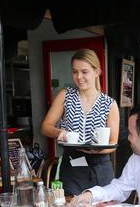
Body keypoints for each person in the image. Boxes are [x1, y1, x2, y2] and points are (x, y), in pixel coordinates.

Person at [41, 48, 119, 195]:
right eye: (75, 71)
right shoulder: (66, 95)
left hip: (100, 168)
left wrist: (96, 149)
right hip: (72, 165)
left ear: (96, 72)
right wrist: (60, 132)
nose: (79, 77)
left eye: (84, 72)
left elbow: (113, 144)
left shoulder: (109, 104)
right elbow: (45, 127)